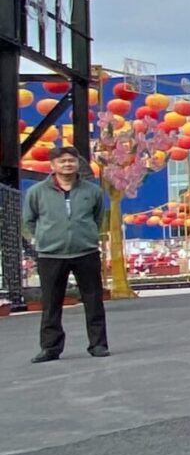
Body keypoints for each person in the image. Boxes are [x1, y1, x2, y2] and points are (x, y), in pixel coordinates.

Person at [24, 144, 109, 362]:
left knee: (93, 300)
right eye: (62, 161)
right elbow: (29, 220)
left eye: (72, 160)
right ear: (52, 165)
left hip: (86, 252)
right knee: (51, 302)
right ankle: (50, 348)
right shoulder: (37, 192)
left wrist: (85, 235)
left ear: (78, 164)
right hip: (51, 255)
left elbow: (98, 218)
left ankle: (98, 344)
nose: (68, 164)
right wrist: (46, 238)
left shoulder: (92, 191)